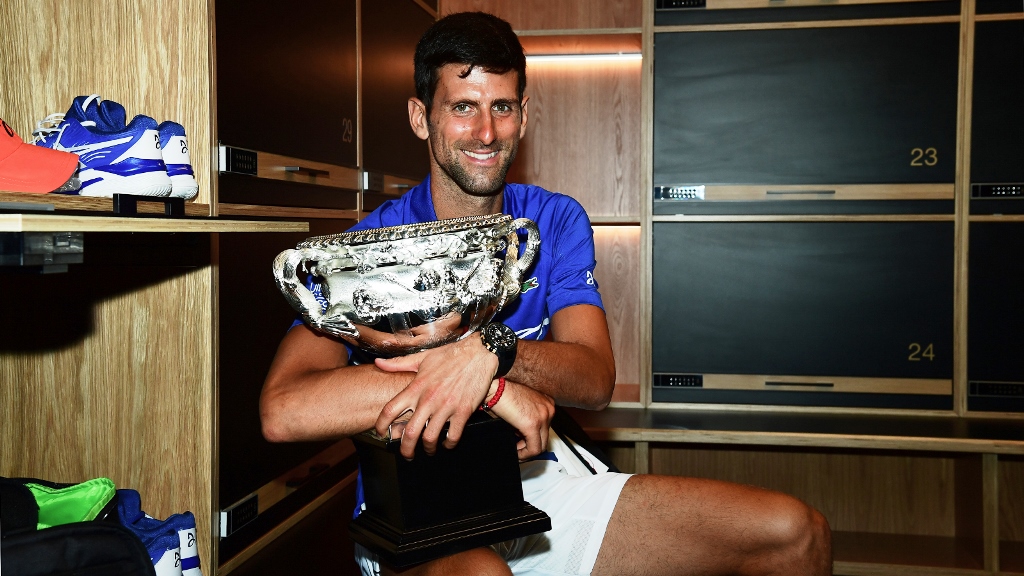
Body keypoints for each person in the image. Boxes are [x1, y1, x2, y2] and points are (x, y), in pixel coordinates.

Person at [261, 11, 832, 576]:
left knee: (795, 533)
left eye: (502, 107)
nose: (487, 132)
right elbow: (284, 409)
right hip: (414, 509)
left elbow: (594, 378)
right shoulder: (369, 245)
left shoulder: (554, 220)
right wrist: (486, 389)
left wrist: (491, 354)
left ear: (523, 115)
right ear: (420, 117)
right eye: (463, 107)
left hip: (537, 480)